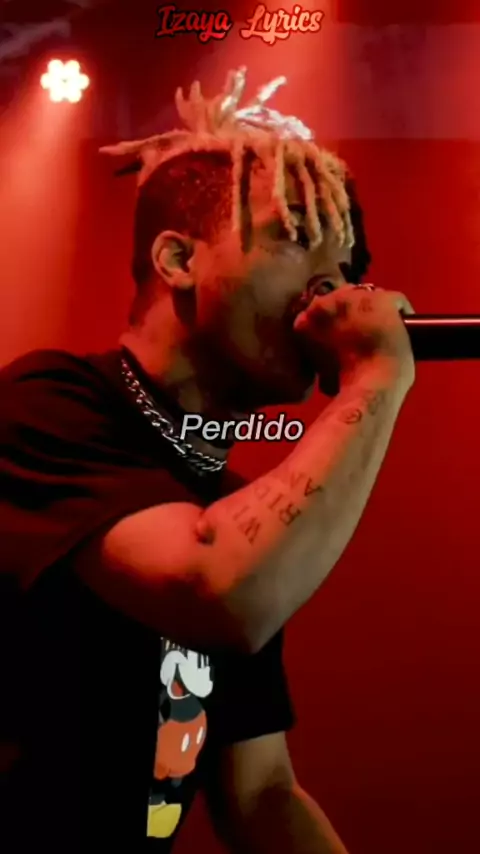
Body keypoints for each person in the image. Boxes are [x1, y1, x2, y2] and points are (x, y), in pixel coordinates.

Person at [0, 68, 415, 853]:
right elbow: (218, 590)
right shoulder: (43, 404)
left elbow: (261, 793)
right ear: (177, 258)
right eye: (298, 237)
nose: (334, 286)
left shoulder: (229, 506)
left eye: (349, 267)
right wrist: (376, 379)